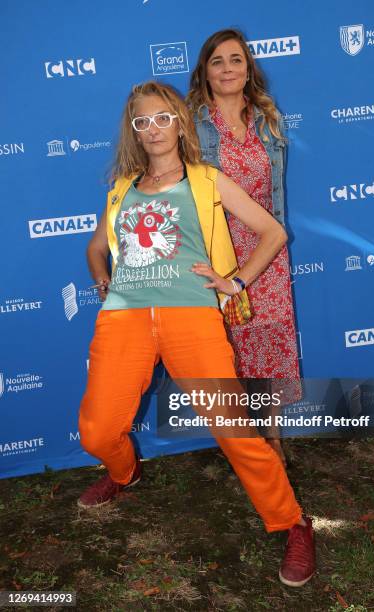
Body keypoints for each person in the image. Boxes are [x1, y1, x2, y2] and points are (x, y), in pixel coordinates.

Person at [77, 81, 315, 587]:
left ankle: (293, 522)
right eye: (143, 122)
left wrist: (235, 283)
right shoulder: (121, 187)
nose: (154, 129)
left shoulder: (207, 179)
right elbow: (97, 246)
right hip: (124, 317)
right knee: (98, 430)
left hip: (192, 315)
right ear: (134, 132)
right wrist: (102, 277)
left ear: (179, 123)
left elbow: (272, 232)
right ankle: (124, 474)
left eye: (163, 117)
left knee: (235, 431)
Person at [187, 29, 302, 466]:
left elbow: (274, 197)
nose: (228, 68)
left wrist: (272, 242)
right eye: (218, 61)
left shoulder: (268, 120)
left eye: (237, 59)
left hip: (267, 251)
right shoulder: (192, 125)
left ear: (248, 68)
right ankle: (243, 447)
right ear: (205, 71)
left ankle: (270, 443)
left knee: (267, 347)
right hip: (219, 252)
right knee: (228, 349)